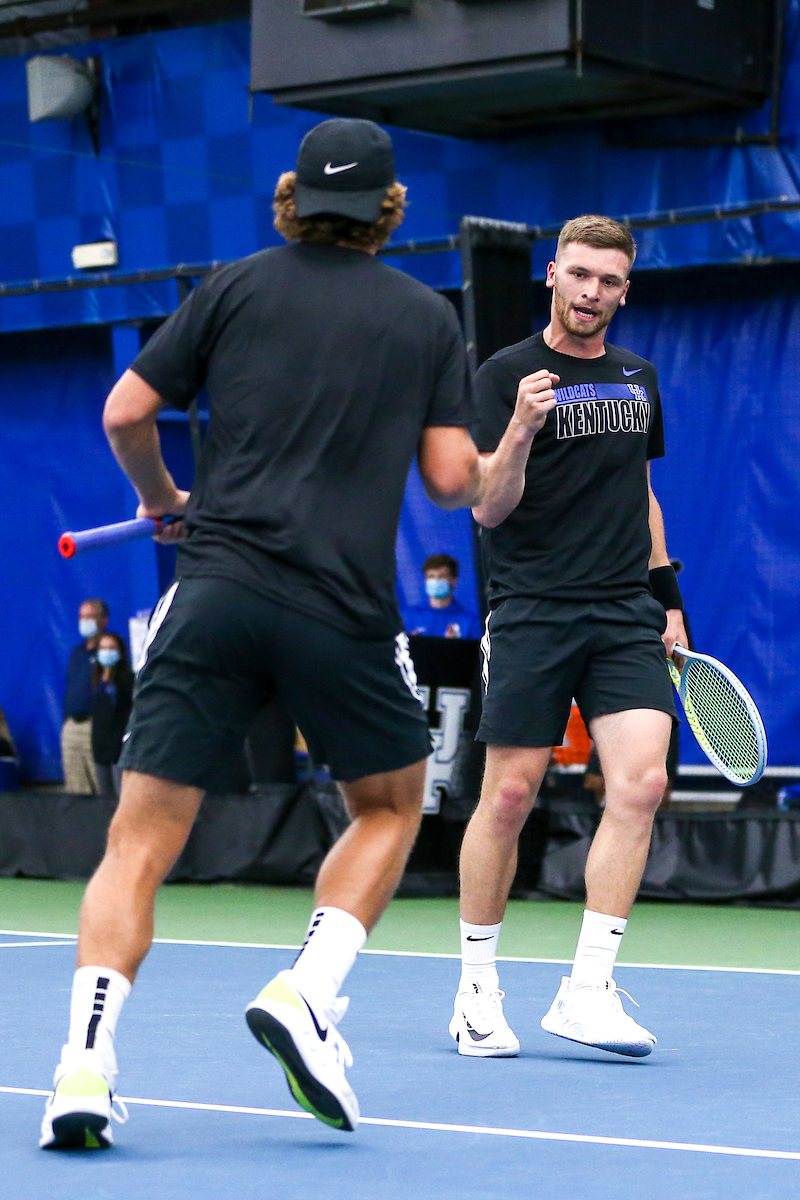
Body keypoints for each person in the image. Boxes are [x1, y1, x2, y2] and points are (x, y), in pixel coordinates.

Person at [40, 116, 558, 1151]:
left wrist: (164, 499)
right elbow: (451, 483)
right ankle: (310, 990)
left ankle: (82, 1067)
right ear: (389, 209)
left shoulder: (229, 289)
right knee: (390, 805)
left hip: (215, 594)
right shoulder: (421, 319)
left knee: (138, 841)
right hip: (339, 612)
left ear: (292, 198)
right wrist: (508, 447)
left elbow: (124, 414)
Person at [450, 215, 688, 1062]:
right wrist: (519, 426)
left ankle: (587, 991)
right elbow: (488, 508)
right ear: (553, 274)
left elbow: (641, 493)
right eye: (580, 274)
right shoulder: (502, 375)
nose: (592, 292)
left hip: (624, 610)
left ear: (625, 290)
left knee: (642, 785)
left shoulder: (638, 377)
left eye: (609, 280)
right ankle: (476, 993)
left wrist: (668, 599)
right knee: (508, 797)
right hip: (533, 607)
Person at [61, 599, 109, 795]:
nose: (85, 622)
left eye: (90, 617)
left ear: (103, 620)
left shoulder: (109, 651)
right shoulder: (77, 653)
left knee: (101, 787)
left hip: (95, 726)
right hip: (72, 727)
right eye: (82, 617)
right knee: (76, 789)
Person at [91, 633, 134, 798]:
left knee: (121, 797)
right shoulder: (96, 680)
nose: (107, 652)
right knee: (105, 798)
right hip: (100, 748)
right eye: (103, 648)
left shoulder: (127, 680)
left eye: (111, 648)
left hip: (120, 750)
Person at [404, 553, 483, 639]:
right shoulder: (409, 617)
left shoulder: (469, 622)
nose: (435, 581)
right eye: (431, 576)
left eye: (442, 576)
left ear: (454, 581)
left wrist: (456, 644)